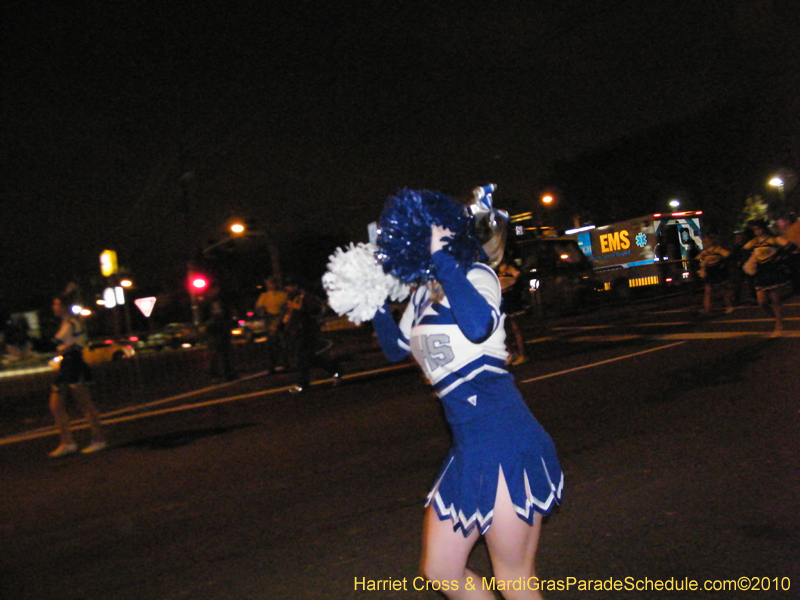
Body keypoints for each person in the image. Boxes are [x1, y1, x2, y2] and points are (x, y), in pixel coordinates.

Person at [371, 188, 562, 599]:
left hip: (507, 442)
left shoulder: (478, 276)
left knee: (514, 578)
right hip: (468, 448)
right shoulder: (423, 293)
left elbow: (477, 325)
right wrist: (372, 302)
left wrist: (444, 260)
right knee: (441, 571)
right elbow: (396, 349)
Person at [48, 293, 107, 457]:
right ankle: (67, 442)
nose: (54, 307)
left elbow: (65, 344)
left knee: (85, 404)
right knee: (55, 405)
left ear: (65, 307)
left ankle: (98, 440)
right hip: (66, 365)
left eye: (56, 304)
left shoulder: (73, 323)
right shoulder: (65, 323)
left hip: (74, 365)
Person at [282, 278, 341, 393]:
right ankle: (335, 369)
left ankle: (302, 385)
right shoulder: (293, 298)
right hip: (298, 332)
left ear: (296, 286)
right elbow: (292, 315)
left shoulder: (305, 297)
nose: (286, 290)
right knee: (307, 358)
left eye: (288, 287)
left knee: (301, 358)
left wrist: (299, 308)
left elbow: (316, 309)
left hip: (307, 331)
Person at [742, 219, 797, 336]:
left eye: (759, 228)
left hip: (772, 271)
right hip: (760, 272)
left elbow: (791, 246)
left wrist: (779, 257)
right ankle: (778, 318)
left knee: (775, 300)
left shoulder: (773, 239)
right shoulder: (754, 242)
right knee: (762, 302)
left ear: (764, 228)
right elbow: (742, 251)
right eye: (755, 229)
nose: (757, 231)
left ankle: (779, 326)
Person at [255, 275, 289, 371]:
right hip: (269, 320)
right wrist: (262, 311)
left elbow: (286, 308)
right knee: (271, 344)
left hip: (281, 320)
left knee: (282, 343)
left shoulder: (283, 295)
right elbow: (259, 308)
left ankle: (284, 363)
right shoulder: (264, 296)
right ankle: (273, 364)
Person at [497, 260, 528, 365]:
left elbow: (519, 280)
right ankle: (511, 353)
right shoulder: (495, 267)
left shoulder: (511, 267)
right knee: (502, 329)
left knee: (516, 329)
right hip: (501, 300)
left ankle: (522, 354)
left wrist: (512, 288)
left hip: (512, 300)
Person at [695, 233, 733, 314]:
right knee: (708, 290)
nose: (705, 242)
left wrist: (723, 264)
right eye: (704, 241)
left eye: (707, 241)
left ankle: (729, 306)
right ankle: (707, 308)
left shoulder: (718, 249)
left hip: (718, 271)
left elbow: (728, 255)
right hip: (709, 272)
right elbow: (697, 259)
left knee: (723, 290)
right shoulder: (705, 251)